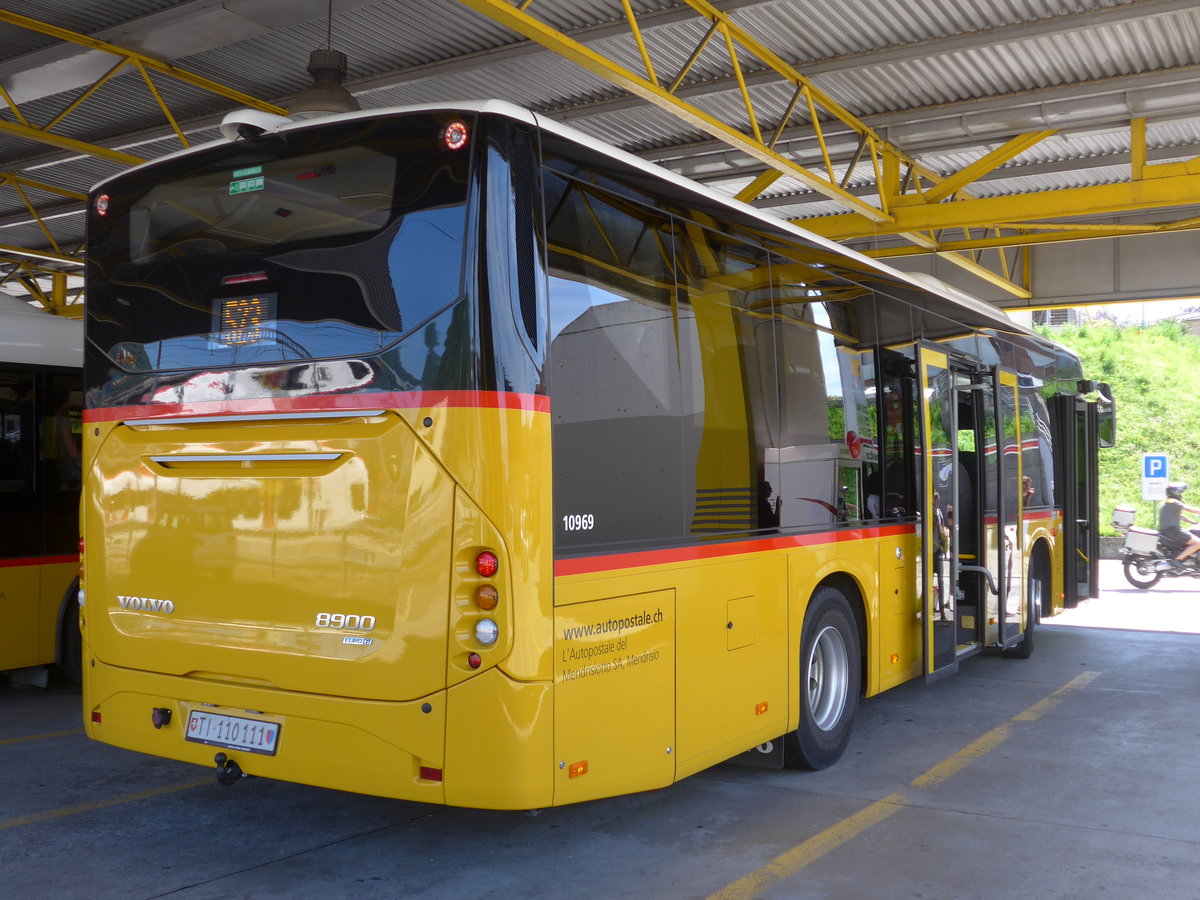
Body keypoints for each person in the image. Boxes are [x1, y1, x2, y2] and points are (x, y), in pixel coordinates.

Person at [1158, 482, 1200, 566]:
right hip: (1174, 531)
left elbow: (1180, 516)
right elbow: (1190, 510)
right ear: (1176, 492)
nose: (1181, 494)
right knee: (1198, 543)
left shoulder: (1165, 503)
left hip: (1167, 531)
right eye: (1180, 492)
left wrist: (1193, 522)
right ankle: (1178, 560)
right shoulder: (1174, 502)